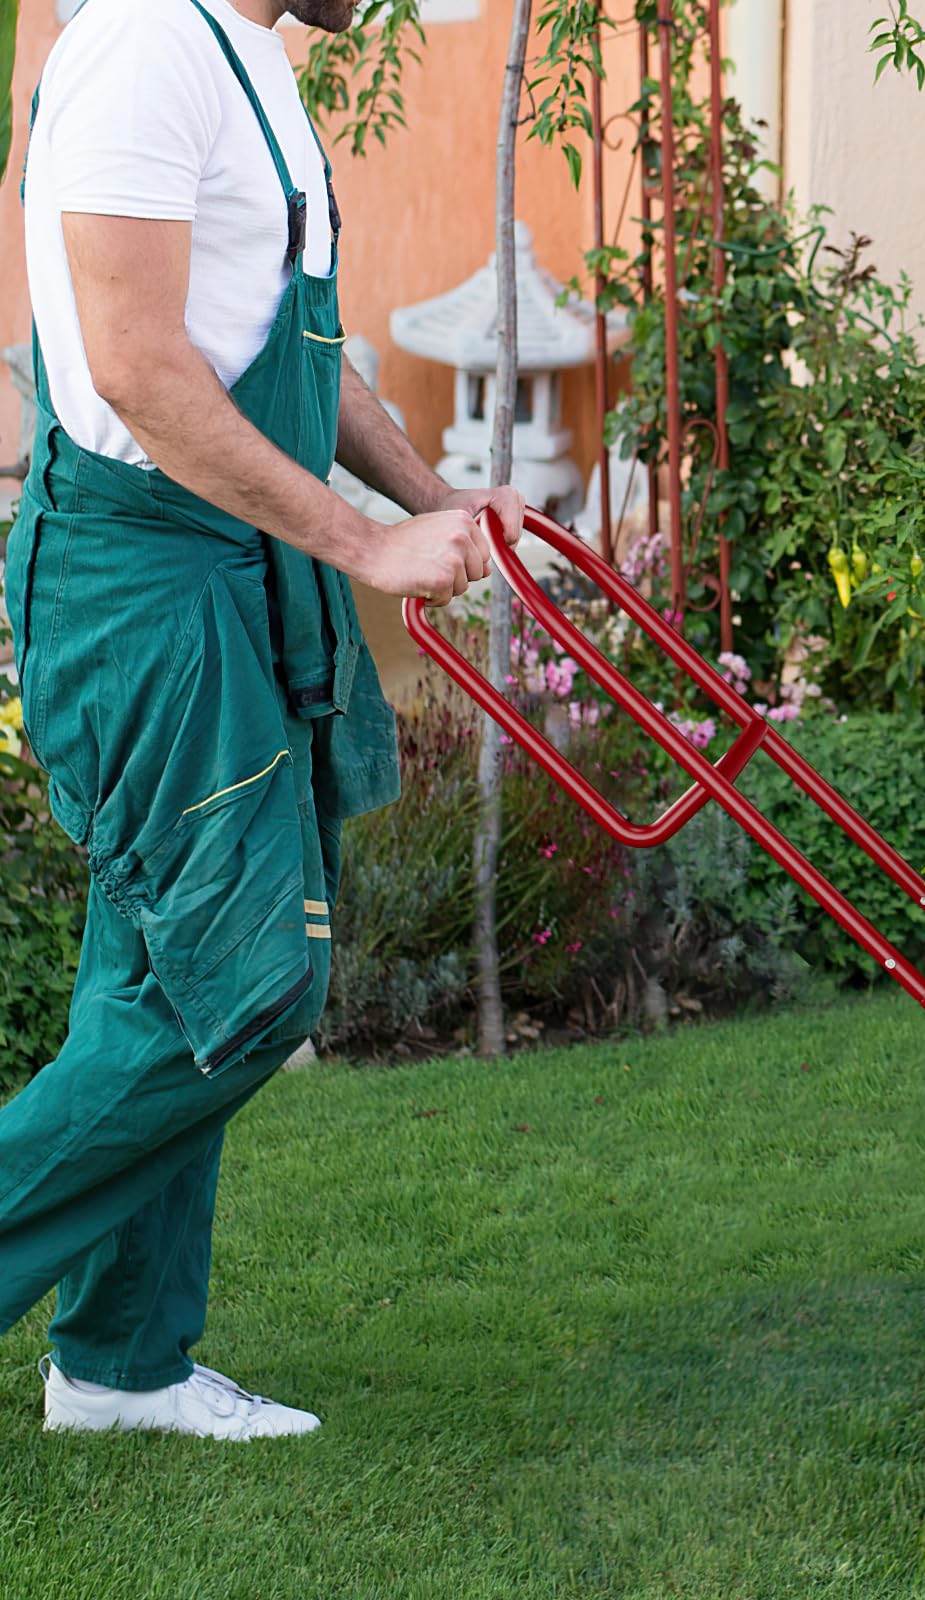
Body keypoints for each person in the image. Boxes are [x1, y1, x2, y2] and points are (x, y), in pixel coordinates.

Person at [0, 0, 526, 1439]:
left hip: (223, 571)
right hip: (145, 586)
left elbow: (290, 354)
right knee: (246, 990)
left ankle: (121, 1370)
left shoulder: (247, 64)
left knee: (153, 976)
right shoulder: (140, 50)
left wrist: (433, 498)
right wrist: (360, 551)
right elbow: (137, 365)